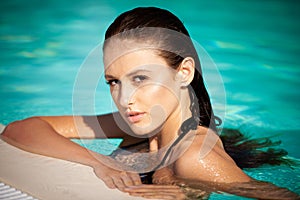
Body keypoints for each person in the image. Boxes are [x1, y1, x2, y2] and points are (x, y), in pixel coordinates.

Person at [1, 7, 299, 200]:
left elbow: (281, 196)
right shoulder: (139, 124)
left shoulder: (195, 158)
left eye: (140, 78)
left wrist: (191, 192)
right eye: (113, 81)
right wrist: (98, 161)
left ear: (183, 73)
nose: (124, 98)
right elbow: (20, 129)